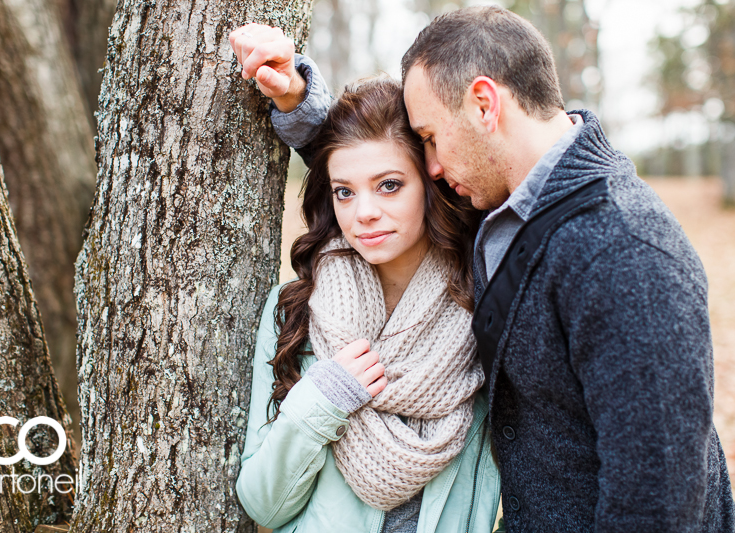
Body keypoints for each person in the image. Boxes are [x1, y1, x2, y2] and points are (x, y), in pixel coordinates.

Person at [230, 6, 735, 532]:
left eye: (429, 136)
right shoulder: (507, 215)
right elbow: (369, 166)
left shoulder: (623, 250)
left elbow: (658, 502)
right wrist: (295, 96)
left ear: (484, 106)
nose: (432, 166)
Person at [233, 75, 502, 532]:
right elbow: (263, 504)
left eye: (390, 185)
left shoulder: (485, 310)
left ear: (431, 183)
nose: (364, 213)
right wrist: (322, 399)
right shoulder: (297, 310)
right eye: (345, 191)